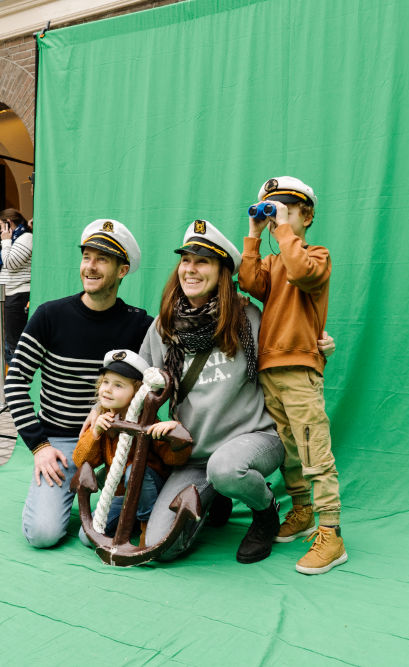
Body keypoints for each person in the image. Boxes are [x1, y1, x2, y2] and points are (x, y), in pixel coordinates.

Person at [139, 219, 284, 564]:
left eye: (202, 261)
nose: (190, 269)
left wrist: (318, 346)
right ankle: (217, 496)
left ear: (223, 273)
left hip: (256, 439)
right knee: (162, 547)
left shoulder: (248, 317)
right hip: (194, 454)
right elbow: (141, 384)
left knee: (226, 468)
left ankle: (266, 513)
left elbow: (287, 353)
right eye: (186, 260)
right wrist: (102, 410)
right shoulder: (162, 328)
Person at [5, 219, 153, 548]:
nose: (90, 266)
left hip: (115, 444)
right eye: (86, 257)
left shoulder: (140, 325)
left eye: (102, 259)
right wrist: (40, 447)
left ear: (122, 270)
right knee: (43, 535)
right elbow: (15, 383)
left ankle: (121, 494)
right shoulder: (49, 316)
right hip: (58, 443)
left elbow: (158, 381)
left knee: (93, 538)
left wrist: (102, 406)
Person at [240, 176, 346, 575]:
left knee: (312, 449)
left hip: (301, 369)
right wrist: (254, 234)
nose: (276, 215)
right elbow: (249, 281)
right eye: (271, 208)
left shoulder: (316, 255)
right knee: (288, 448)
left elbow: (301, 271)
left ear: (308, 214)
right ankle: (301, 510)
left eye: (286, 208)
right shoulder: (272, 259)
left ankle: (332, 534)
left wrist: (283, 228)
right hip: (270, 368)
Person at [72, 349, 190, 546]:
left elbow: (175, 460)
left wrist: (173, 434)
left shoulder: (149, 422)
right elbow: (81, 461)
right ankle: (131, 520)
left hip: (153, 492)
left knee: (133, 471)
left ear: (137, 392)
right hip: (124, 496)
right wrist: (95, 434)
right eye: (106, 382)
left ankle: (147, 523)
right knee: (86, 537)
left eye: (118, 385)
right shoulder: (104, 420)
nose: (108, 389)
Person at [0, 208, 32, 357]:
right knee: (5, 345)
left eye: (1, 225)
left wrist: (5, 240)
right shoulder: (16, 239)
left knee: (14, 345)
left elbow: (11, 263)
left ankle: (18, 379)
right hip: (9, 295)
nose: (0, 230)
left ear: (9, 223)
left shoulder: (25, 238)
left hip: (18, 296)